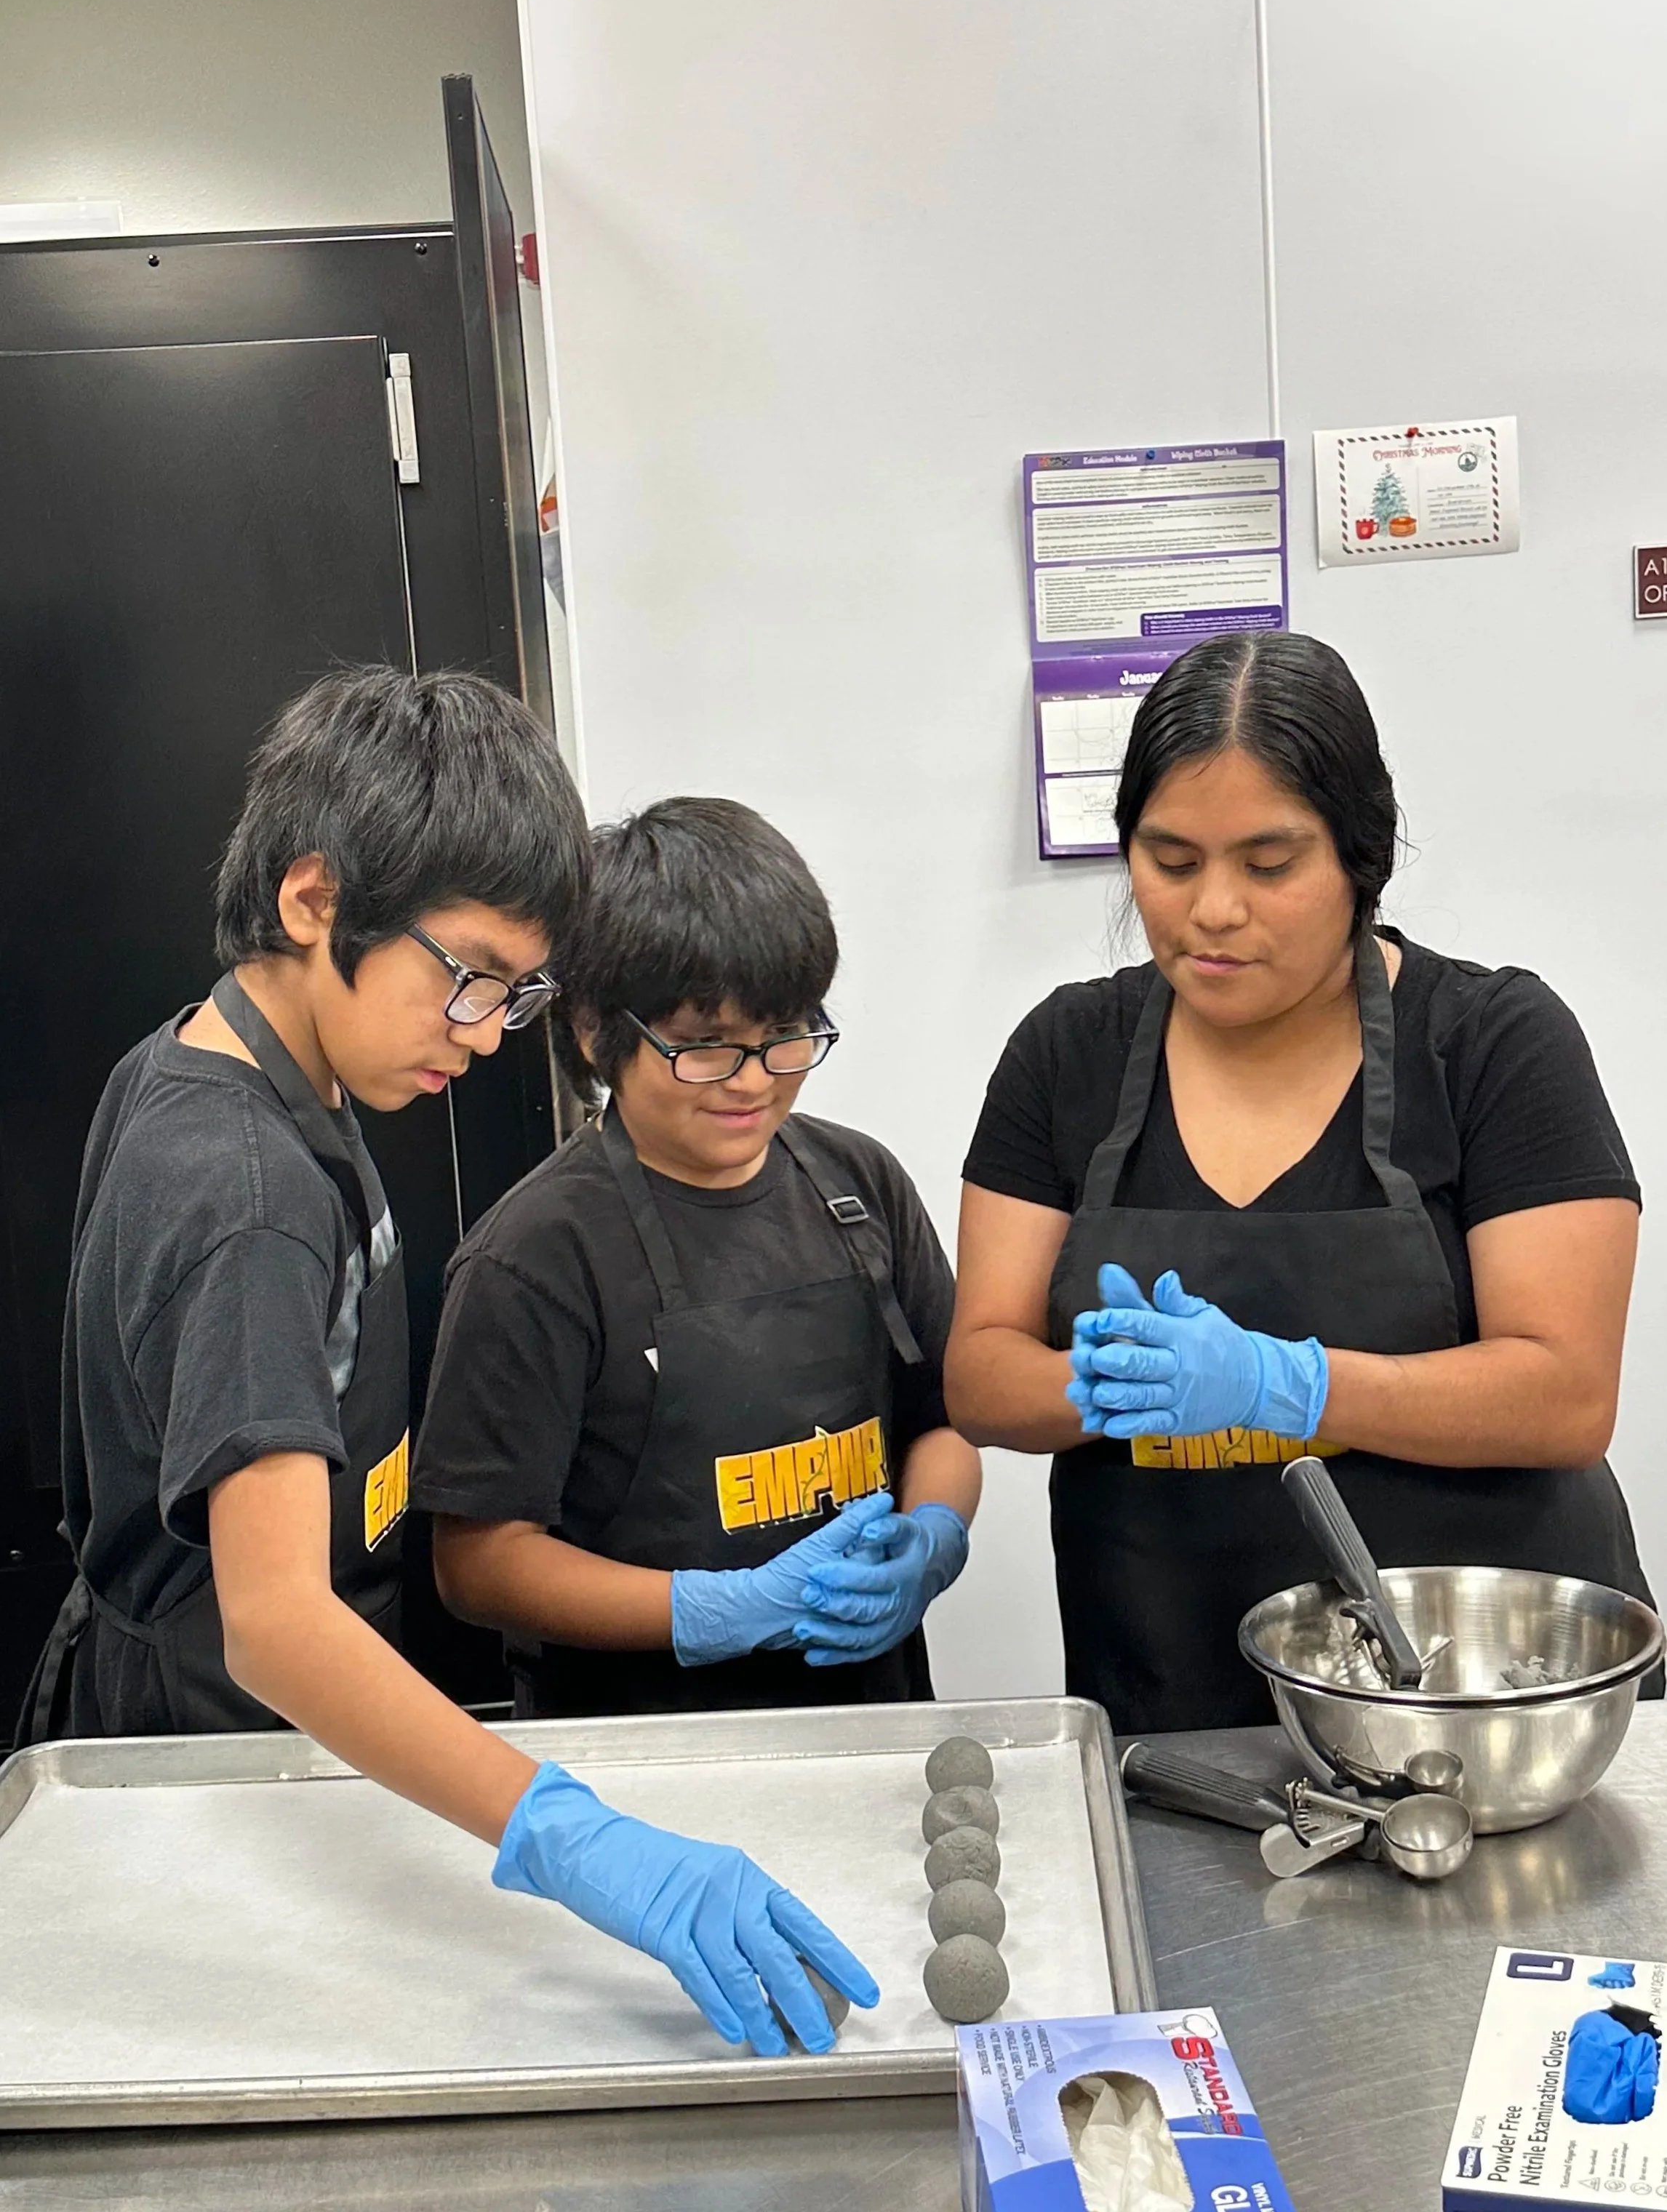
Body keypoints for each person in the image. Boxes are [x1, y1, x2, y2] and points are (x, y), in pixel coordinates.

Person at [16, 670, 875, 2057]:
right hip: (214, 1738)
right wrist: (567, 1830)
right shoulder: (245, 1193)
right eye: (466, 976)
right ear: (315, 900)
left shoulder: (232, 1062)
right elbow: (273, 1623)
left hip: (282, 1719)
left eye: (515, 992)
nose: (481, 1033)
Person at [947, 630, 1653, 1735]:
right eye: (1171, 860)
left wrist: (1289, 1386)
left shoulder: (1493, 1043)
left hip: (1482, 1689)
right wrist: (1115, 1381)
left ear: (1359, 857)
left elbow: (1565, 1394)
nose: (1213, 909)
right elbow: (983, 1374)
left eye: (1268, 865)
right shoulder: (1066, 1054)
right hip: (1175, 1689)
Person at [412, 796, 980, 1718]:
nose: (752, 1080)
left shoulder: (860, 1185)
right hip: (647, 1746)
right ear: (596, 1030)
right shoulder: (535, 1256)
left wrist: (934, 1532)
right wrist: (713, 1610)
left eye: (784, 1036)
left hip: (870, 1716)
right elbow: (478, 1562)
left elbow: (944, 1421)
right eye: (705, 1047)